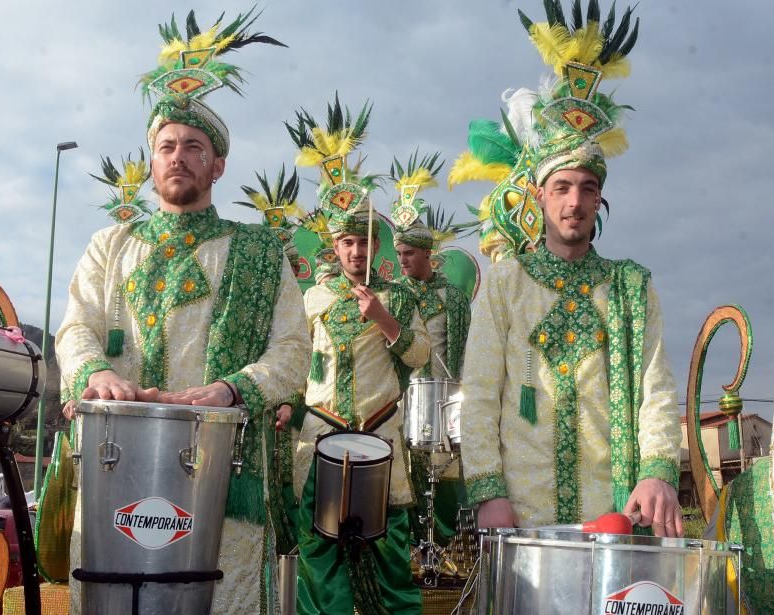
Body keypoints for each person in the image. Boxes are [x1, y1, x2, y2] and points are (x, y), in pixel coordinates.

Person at [55, 10, 308, 614]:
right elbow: (75, 328)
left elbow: (295, 351)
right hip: (115, 469)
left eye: (194, 147)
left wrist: (233, 388)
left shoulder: (257, 249)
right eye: (167, 145)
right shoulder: (109, 246)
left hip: (228, 479)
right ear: (152, 160)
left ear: (217, 165)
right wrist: (96, 374)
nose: (179, 156)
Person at [461, 1, 684, 537]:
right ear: (539, 196)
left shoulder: (631, 287)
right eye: (561, 187)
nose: (574, 201)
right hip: (523, 509)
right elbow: (480, 394)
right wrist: (488, 491)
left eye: (587, 187)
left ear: (600, 199)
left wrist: (658, 473)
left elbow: (656, 388)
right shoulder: (506, 284)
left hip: (615, 512)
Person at [288, 96, 428, 614]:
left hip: (379, 432)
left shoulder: (396, 298)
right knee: (320, 557)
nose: (355, 253)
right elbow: (295, 361)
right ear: (335, 246)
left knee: (389, 555)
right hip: (322, 433)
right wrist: (287, 404)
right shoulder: (314, 298)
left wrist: (385, 321)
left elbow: (419, 355)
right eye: (347, 243)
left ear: (376, 246)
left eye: (364, 243)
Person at [388, 152, 473, 548]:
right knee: (403, 480)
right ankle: (411, 554)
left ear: (427, 256)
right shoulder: (394, 296)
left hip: (446, 400)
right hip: (402, 401)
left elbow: (468, 351)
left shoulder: (454, 299)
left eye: (409, 255)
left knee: (449, 484)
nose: (402, 261)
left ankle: (450, 552)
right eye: (399, 254)